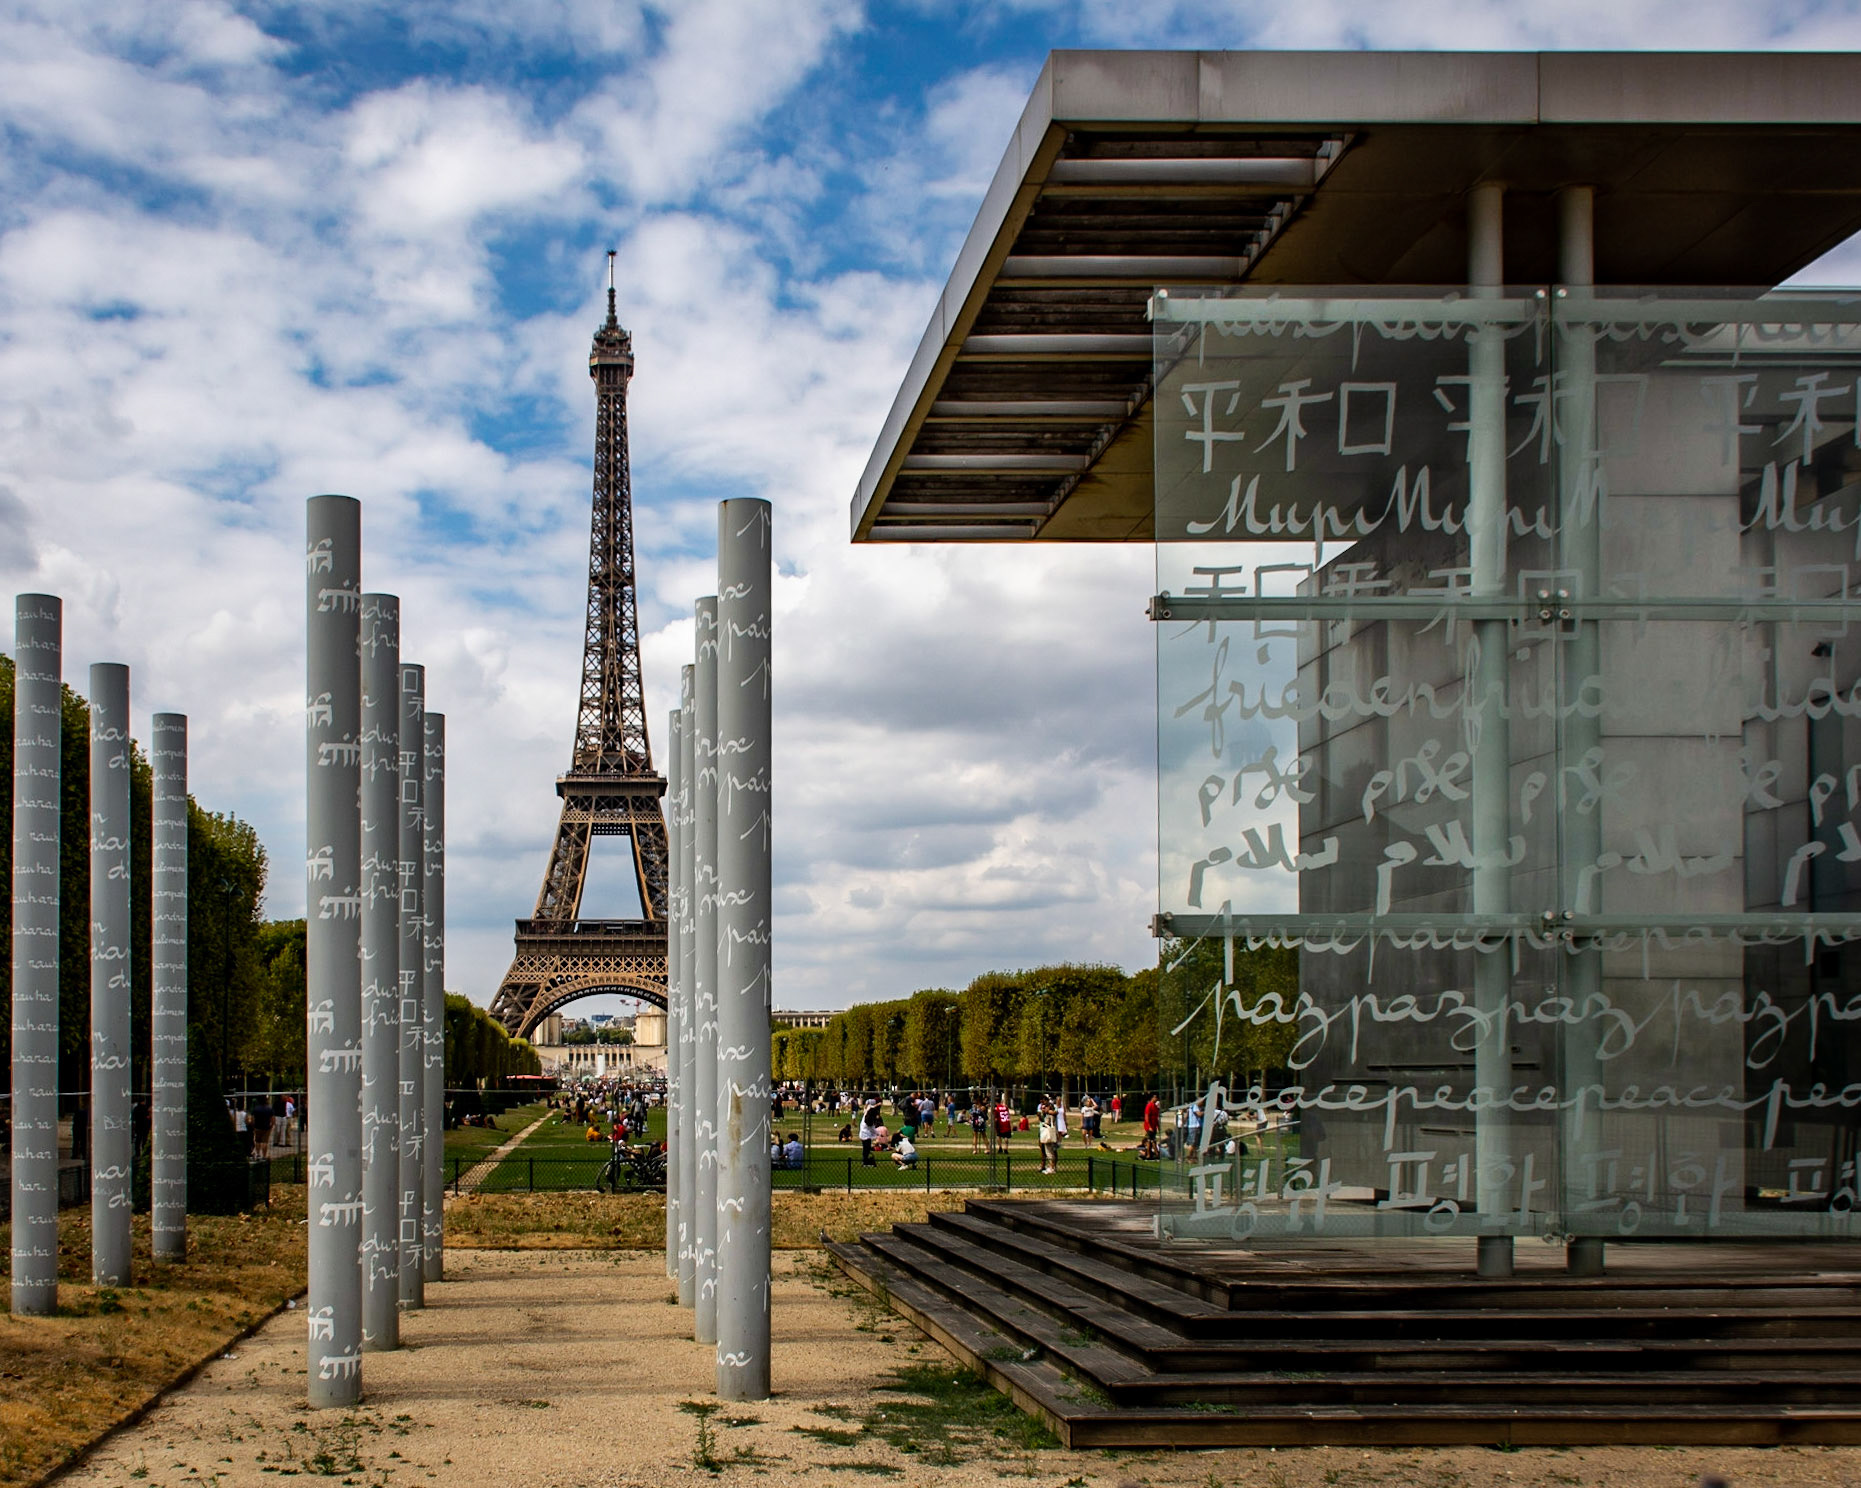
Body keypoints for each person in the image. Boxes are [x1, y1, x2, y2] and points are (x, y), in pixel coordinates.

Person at [1036, 1100, 1058, 1174]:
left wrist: (1046, 1112)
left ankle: (1052, 1167)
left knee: (1050, 1151)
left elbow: (1046, 1122)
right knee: (1049, 1151)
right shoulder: (1047, 1114)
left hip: (1049, 1134)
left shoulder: (1050, 1114)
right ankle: (1051, 1166)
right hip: (1049, 1133)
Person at [859, 1098, 880, 1167]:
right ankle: (865, 1161)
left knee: (866, 1148)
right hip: (866, 1134)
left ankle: (865, 1160)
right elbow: (872, 1129)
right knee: (866, 1148)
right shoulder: (869, 1121)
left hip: (863, 1133)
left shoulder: (866, 1114)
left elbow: (870, 1108)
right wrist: (879, 1134)